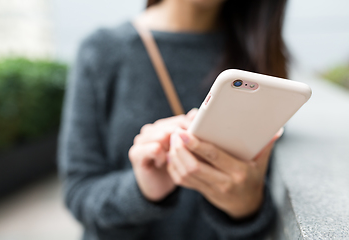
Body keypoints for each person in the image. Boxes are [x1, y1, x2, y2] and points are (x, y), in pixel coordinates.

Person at [58, 0, 288, 239]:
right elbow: (79, 192)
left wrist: (247, 207)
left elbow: (266, 180)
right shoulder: (103, 50)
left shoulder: (258, 53)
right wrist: (141, 190)